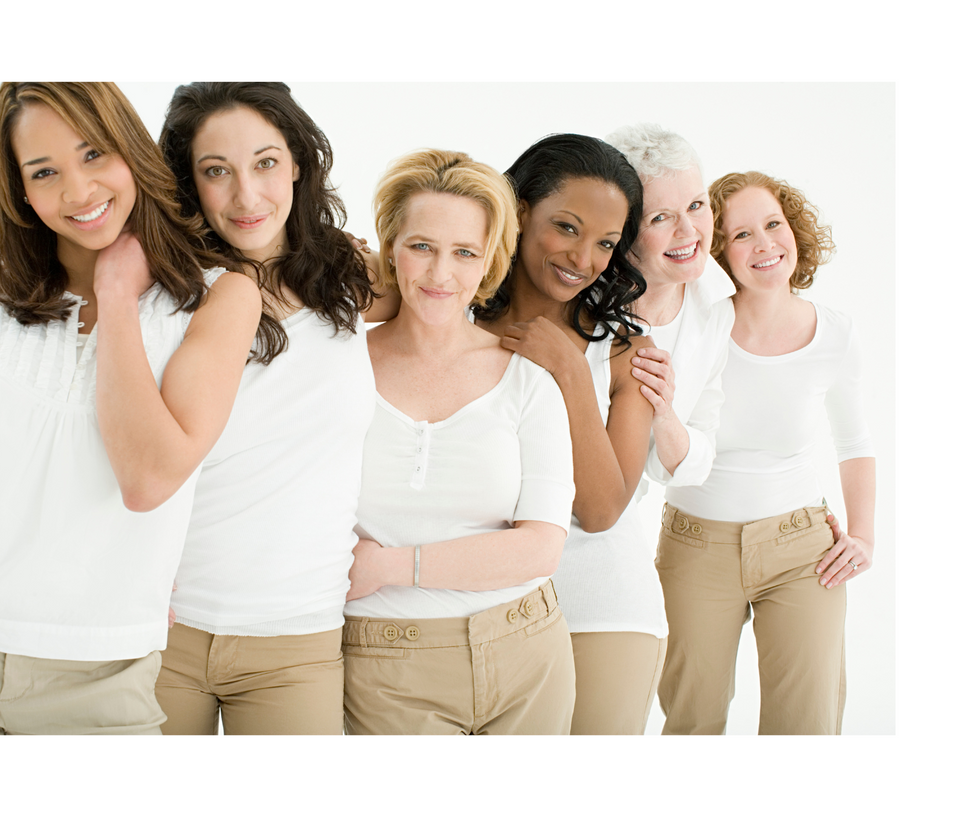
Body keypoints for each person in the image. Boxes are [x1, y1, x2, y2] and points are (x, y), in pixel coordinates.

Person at [0, 82, 262, 734]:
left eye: (94, 154)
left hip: (100, 665)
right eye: (44, 172)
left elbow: (149, 478)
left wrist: (117, 293)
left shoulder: (220, 298)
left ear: (131, 152)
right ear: (19, 191)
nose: (77, 190)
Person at [153, 82, 396, 735]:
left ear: (296, 162)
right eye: (215, 172)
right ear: (189, 183)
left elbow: (456, 297)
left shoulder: (347, 276)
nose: (246, 196)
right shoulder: (166, 292)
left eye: (264, 162)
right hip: (161, 627)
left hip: (296, 634)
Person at [342, 148, 577, 735]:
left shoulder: (528, 380)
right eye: (422, 246)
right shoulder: (339, 371)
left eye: (464, 252)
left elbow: (540, 550)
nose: (440, 273)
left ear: (488, 263)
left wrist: (390, 565)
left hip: (528, 651)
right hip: (385, 663)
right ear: (391, 248)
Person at [656, 170, 876, 734]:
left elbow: (854, 444)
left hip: (805, 551)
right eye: (741, 235)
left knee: (807, 726)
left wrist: (864, 537)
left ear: (793, 229)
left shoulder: (835, 334)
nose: (765, 244)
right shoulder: (695, 328)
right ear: (718, 252)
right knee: (693, 721)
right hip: (696, 547)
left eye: (773, 224)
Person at [472, 133, 661, 734]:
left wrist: (574, 373)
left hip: (600, 615)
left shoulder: (628, 352)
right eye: (568, 227)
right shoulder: (452, 320)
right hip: (473, 612)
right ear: (520, 211)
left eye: (606, 242)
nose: (584, 258)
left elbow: (603, 508)